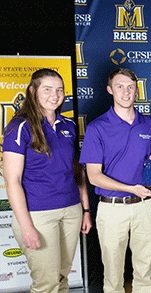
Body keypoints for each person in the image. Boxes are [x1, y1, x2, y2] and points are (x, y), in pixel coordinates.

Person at [3, 68, 91, 292]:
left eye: (60, 90)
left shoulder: (68, 126)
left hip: (71, 210)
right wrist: (26, 227)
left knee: (62, 279)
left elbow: (77, 171)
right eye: (48, 89)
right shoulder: (20, 127)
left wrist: (85, 209)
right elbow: (12, 180)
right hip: (39, 215)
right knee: (46, 284)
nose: (55, 95)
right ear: (33, 91)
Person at [80, 68, 151, 293]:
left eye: (130, 87)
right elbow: (94, 176)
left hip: (146, 206)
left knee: (145, 271)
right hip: (112, 208)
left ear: (137, 90)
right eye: (120, 86)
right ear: (109, 90)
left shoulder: (149, 124)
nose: (126, 92)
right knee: (113, 274)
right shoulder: (97, 127)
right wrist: (129, 188)